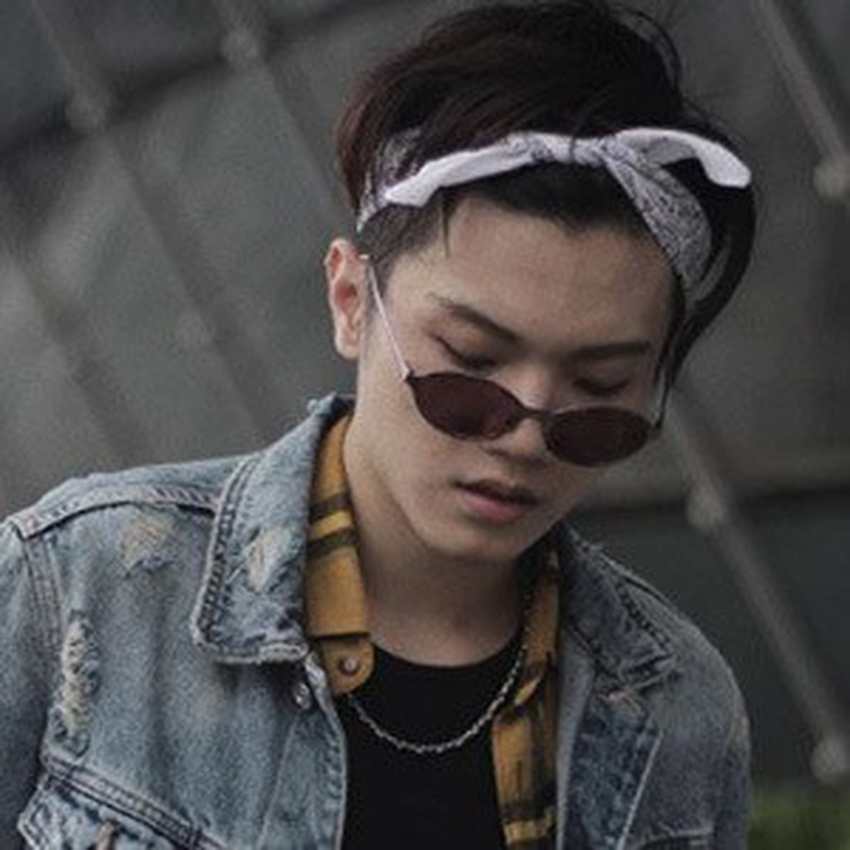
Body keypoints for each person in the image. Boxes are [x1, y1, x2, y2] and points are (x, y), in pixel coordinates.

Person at [0, 1, 757, 847]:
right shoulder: (80, 589)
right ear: (352, 300)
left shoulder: (677, 708)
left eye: (598, 389)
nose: (523, 436)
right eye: (469, 364)